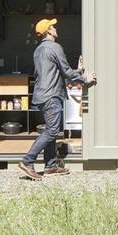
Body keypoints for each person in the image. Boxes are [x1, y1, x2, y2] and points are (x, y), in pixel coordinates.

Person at [18, 18, 96, 180]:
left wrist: (77, 70)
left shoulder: (39, 50)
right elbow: (66, 72)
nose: (55, 28)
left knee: (50, 130)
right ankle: (27, 161)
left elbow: (55, 72)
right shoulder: (54, 47)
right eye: (52, 27)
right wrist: (84, 77)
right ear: (48, 31)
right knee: (52, 130)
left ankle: (51, 166)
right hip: (51, 95)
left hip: (42, 95)